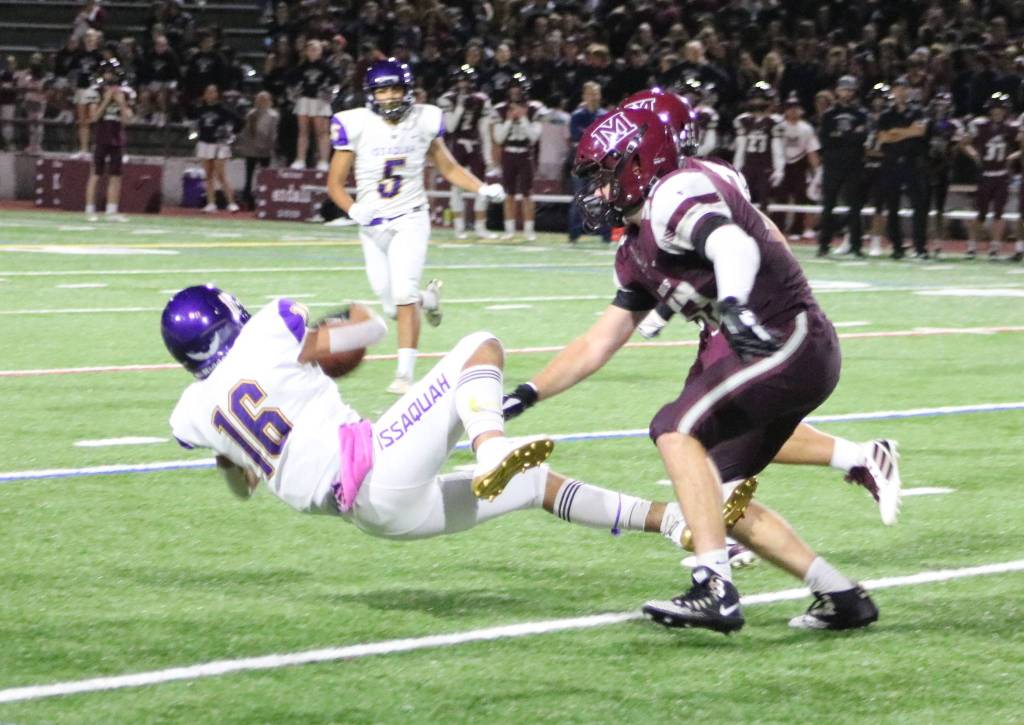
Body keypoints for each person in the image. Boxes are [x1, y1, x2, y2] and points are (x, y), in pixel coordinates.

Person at [503, 107, 880, 634]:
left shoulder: (674, 194)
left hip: (780, 336)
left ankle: (714, 588)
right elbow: (601, 340)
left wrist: (734, 302)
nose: (599, 191)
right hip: (767, 345)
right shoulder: (637, 243)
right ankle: (841, 595)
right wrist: (526, 393)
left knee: (674, 429)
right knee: (714, 497)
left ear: (639, 163)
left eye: (606, 176)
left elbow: (732, 242)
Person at [161, 284, 698, 550]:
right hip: (376, 469)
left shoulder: (192, 413)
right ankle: (493, 448)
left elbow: (241, 485)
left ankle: (675, 523)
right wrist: (344, 323)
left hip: (374, 518)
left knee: (535, 485)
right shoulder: (267, 332)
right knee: (479, 347)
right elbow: (366, 333)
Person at [326, 58, 506, 395]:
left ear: (409, 91)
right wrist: (354, 210)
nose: (390, 96)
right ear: (371, 94)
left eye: (396, 88)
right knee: (393, 304)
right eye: (383, 90)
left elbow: (448, 169)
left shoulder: (424, 120)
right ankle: (430, 299)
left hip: (410, 216)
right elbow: (334, 183)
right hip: (373, 224)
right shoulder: (355, 124)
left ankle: (404, 375)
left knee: (403, 292)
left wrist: (481, 188)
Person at [437, 65, 496, 240]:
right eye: (461, 81)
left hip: (474, 144)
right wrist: (461, 106)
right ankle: (459, 227)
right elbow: (451, 126)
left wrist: (487, 155)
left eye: (466, 81)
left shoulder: (481, 99)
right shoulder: (448, 99)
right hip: (456, 145)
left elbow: (484, 130)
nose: (463, 85)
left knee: (481, 185)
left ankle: (479, 226)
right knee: (457, 186)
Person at [877, 75, 929, 259]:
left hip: (912, 162)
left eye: (904, 88)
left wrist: (896, 133)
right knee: (892, 206)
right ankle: (897, 246)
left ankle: (920, 247)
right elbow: (882, 138)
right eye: (897, 88)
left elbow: (920, 131)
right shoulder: (886, 114)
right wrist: (908, 132)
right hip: (891, 162)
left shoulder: (918, 112)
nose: (900, 91)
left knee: (919, 206)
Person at [817, 76, 868, 257]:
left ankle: (856, 245)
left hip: (853, 163)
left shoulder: (861, 114)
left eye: (850, 90)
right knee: (828, 204)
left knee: (854, 206)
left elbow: (861, 138)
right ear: (837, 91)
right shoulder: (829, 114)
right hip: (833, 164)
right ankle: (824, 244)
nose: (846, 93)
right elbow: (825, 140)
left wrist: (840, 136)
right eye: (843, 89)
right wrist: (848, 136)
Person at [962, 92, 1016, 260]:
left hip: (1001, 174)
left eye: (1000, 109)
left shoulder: (1011, 127)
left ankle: (995, 247)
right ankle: (972, 246)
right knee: (981, 212)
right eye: (994, 108)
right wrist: (975, 156)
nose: (997, 112)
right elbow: (964, 143)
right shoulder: (980, 125)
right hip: (985, 174)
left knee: (999, 213)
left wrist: (1012, 157)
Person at [492, 72, 543, 241]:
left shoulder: (534, 108)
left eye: (518, 89)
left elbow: (534, 137)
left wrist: (522, 118)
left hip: (525, 154)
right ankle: (510, 230)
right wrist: (508, 120)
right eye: (512, 89)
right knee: (509, 193)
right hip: (508, 152)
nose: (515, 93)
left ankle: (529, 230)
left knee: (528, 193)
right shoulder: (500, 109)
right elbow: (499, 138)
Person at [84, 60, 133, 223]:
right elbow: (93, 118)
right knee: (96, 174)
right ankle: (89, 209)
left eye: (112, 73)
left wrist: (120, 102)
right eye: (107, 73)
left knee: (115, 176)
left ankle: (111, 210)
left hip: (117, 137)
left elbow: (128, 121)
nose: (110, 76)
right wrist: (106, 100)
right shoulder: (96, 91)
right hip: (101, 136)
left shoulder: (125, 93)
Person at [772, 92, 821, 241]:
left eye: (795, 108)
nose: (792, 111)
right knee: (780, 197)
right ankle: (777, 228)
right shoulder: (778, 126)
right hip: (781, 164)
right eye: (789, 108)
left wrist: (817, 172)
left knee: (801, 197)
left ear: (800, 110)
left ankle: (797, 229)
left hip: (799, 164)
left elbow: (811, 150)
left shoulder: (806, 128)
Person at [568, 81, 609, 244]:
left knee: (605, 197)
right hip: (583, 162)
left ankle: (605, 233)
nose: (593, 97)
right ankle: (574, 233)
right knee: (579, 197)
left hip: (601, 162)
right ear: (584, 96)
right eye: (590, 93)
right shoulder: (577, 115)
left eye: (595, 93)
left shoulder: (605, 115)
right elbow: (577, 137)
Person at [289, 39, 337, 171]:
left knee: (322, 133)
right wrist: (295, 92)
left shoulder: (327, 68)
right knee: (303, 131)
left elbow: (335, 82)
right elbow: (292, 81)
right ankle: (300, 159)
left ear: (320, 51)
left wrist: (327, 93)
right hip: (304, 100)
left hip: (319, 101)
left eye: (315, 49)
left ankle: (323, 161)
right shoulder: (301, 67)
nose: (312, 52)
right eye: (310, 49)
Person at [733, 82, 780, 214]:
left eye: (761, 98)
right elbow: (741, 147)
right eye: (755, 98)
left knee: (765, 200)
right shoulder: (743, 120)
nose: (757, 101)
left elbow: (777, 149)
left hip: (765, 164)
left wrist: (779, 169)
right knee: (743, 198)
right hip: (749, 163)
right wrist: (736, 168)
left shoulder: (774, 121)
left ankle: (764, 229)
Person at [925, 93, 962, 257]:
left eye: (944, 105)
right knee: (923, 206)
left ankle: (938, 242)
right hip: (926, 167)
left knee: (939, 207)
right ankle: (923, 241)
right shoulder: (927, 123)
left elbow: (956, 147)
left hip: (944, 168)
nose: (941, 108)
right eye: (938, 104)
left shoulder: (954, 124)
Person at [194, 83, 241, 213]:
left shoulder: (223, 109)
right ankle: (211, 203)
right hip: (204, 143)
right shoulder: (200, 109)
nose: (210, 95)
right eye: (208, 92)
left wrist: (230, 132)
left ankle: (231, 203)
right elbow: (197, 125)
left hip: (219, 144)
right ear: (204, 95)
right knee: (208, 175)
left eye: (213, 92)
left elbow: (239, 122)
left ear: (217, 94)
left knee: (220, 174)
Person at [236, 90, 279, 210]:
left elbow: (273, 133)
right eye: (259, 99)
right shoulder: (251, 114)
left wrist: (270, 147)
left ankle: (264, 199)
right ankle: (247, 201)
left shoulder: (273, 115)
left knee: (265, 176)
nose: (261, 102)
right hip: (251, 149)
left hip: (265, 149)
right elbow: (246, 131)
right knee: (248, 176)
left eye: (264, 100)